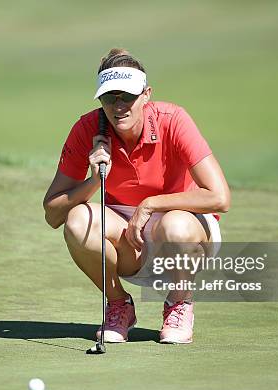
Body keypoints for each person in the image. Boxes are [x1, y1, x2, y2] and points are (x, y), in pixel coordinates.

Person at [43, 48, 230, 344]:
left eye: (128, 96)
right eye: (110, 98)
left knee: (174, 225)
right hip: (129, 245)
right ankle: (119, 305)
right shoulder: (86, 129)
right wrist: (95, 179)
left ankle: (179, 303)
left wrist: (151, 204)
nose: (119, 106)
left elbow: (220, 198)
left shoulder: (173, 119)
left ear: (146, 94)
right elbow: (53, 214)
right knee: (77, 220)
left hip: (186, 233)